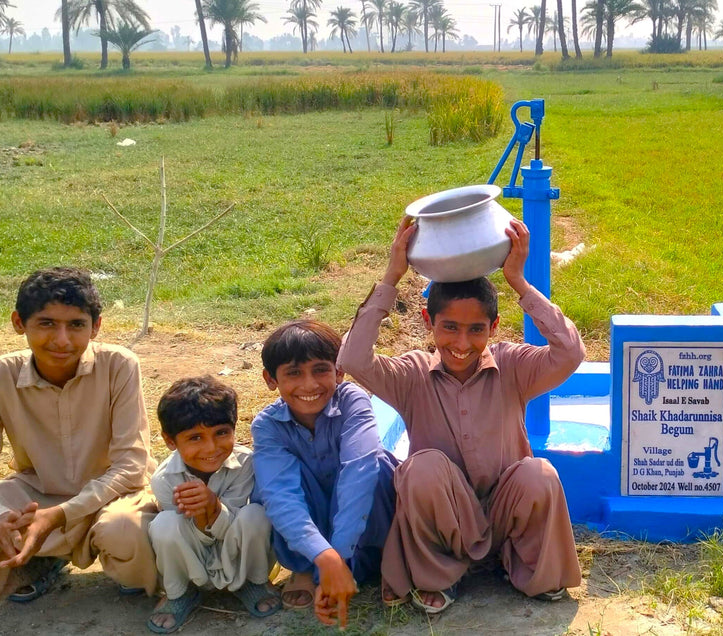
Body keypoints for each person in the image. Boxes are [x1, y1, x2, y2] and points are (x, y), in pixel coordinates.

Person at [338, 216, 585, 615]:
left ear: (494, 328)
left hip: (504, 514)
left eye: (476, 330)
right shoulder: (412, 374)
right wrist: (391, 276)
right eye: (449, 328)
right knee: (422, 469)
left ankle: (525, 567)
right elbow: (352, 358)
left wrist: (519, 283)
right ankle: (440, 576)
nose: (461, 343)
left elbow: (571, 353)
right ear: (427, 322)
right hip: (445, 520)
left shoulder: (512, 366)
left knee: (538, 474)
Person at [0, 267, 158, 603]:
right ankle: (40, 562)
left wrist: (58, 516)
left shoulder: (119, 365)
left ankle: (120, 565)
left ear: (96, 327)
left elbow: (132, 465)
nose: (61, 340)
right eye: (46, 323)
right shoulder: (3, 375)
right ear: (18, 323)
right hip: (38, 493)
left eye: (76, 325)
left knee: (125, 531)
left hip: (114, 496)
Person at [252, 320, 398, 629]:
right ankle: (305, 567)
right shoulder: (267, 426)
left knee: (379, 466)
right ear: (270, 379)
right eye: (293, 373)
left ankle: (387, 560)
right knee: (269, 485)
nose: (309, 385)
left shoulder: (353, 401)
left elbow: (359, 472)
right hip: (316, 521)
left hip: (359, 519)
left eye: (321, 370)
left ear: (339, 372)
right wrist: (325, 558)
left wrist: (338, 557)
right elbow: (281, 497)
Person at [147, 376, 279, 633]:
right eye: (195, 437)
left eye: (221, 433)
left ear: (233, 429)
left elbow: (235, 526)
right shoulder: (165, 480)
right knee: (164, 524)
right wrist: (201, 513)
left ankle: (253, 582)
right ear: (170, 441)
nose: (211, 447)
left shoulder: (245, 464)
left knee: (255, 515)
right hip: (194, 561)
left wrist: (214, 507)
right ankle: (180, 592)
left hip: (238, 552)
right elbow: (185, 538)